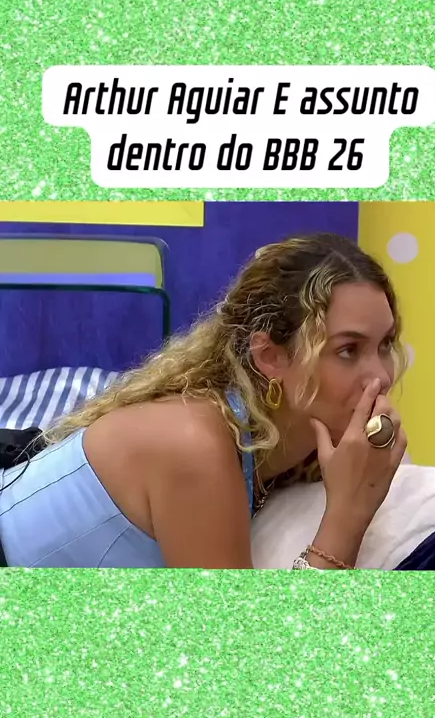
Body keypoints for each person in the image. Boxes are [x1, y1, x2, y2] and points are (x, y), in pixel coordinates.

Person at [0, 233, 409, 569]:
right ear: (270, 357)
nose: (381, 377)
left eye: (385, 345)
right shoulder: (196, 445)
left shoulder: (298, 446)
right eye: (348, 350)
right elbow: (236, 642)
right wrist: (348, 515)